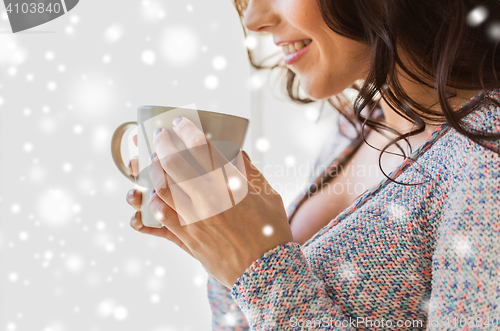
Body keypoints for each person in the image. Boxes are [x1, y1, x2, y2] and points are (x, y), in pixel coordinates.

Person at [125, 0, 500, 329]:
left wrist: (257, 269)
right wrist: (222, 242)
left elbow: (271, 290)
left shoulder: (486, 159)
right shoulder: (358, 127)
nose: (253, 19)